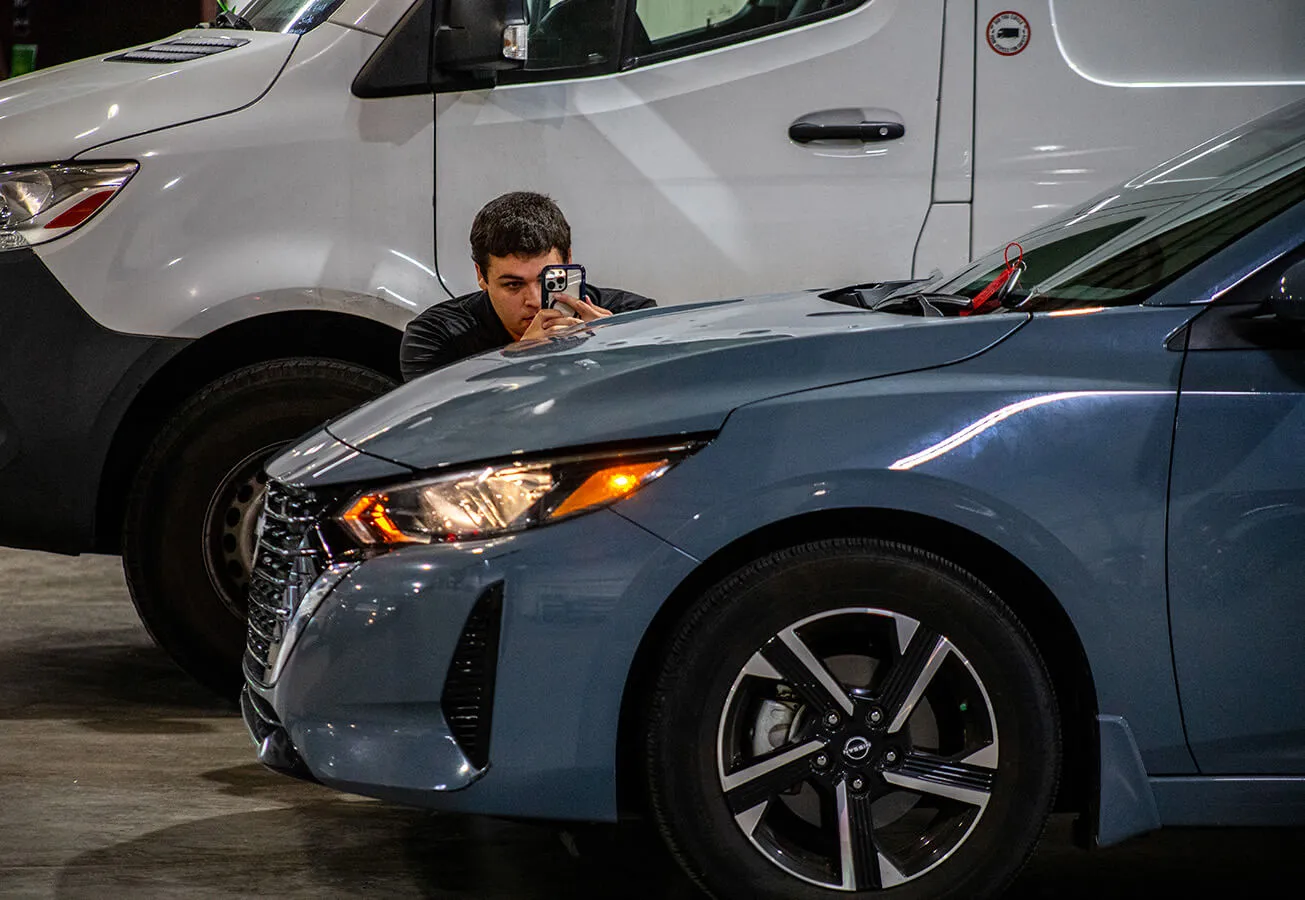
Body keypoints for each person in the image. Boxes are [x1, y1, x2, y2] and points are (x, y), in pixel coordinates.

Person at [399, 192, 655, 381]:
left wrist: (615, 350)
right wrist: (520, 360)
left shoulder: (631, 316)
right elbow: (443, 431)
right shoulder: (435, 336)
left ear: (569, 261)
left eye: (548, 281)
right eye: (513, 285)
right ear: (481, 275)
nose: (533, 300)